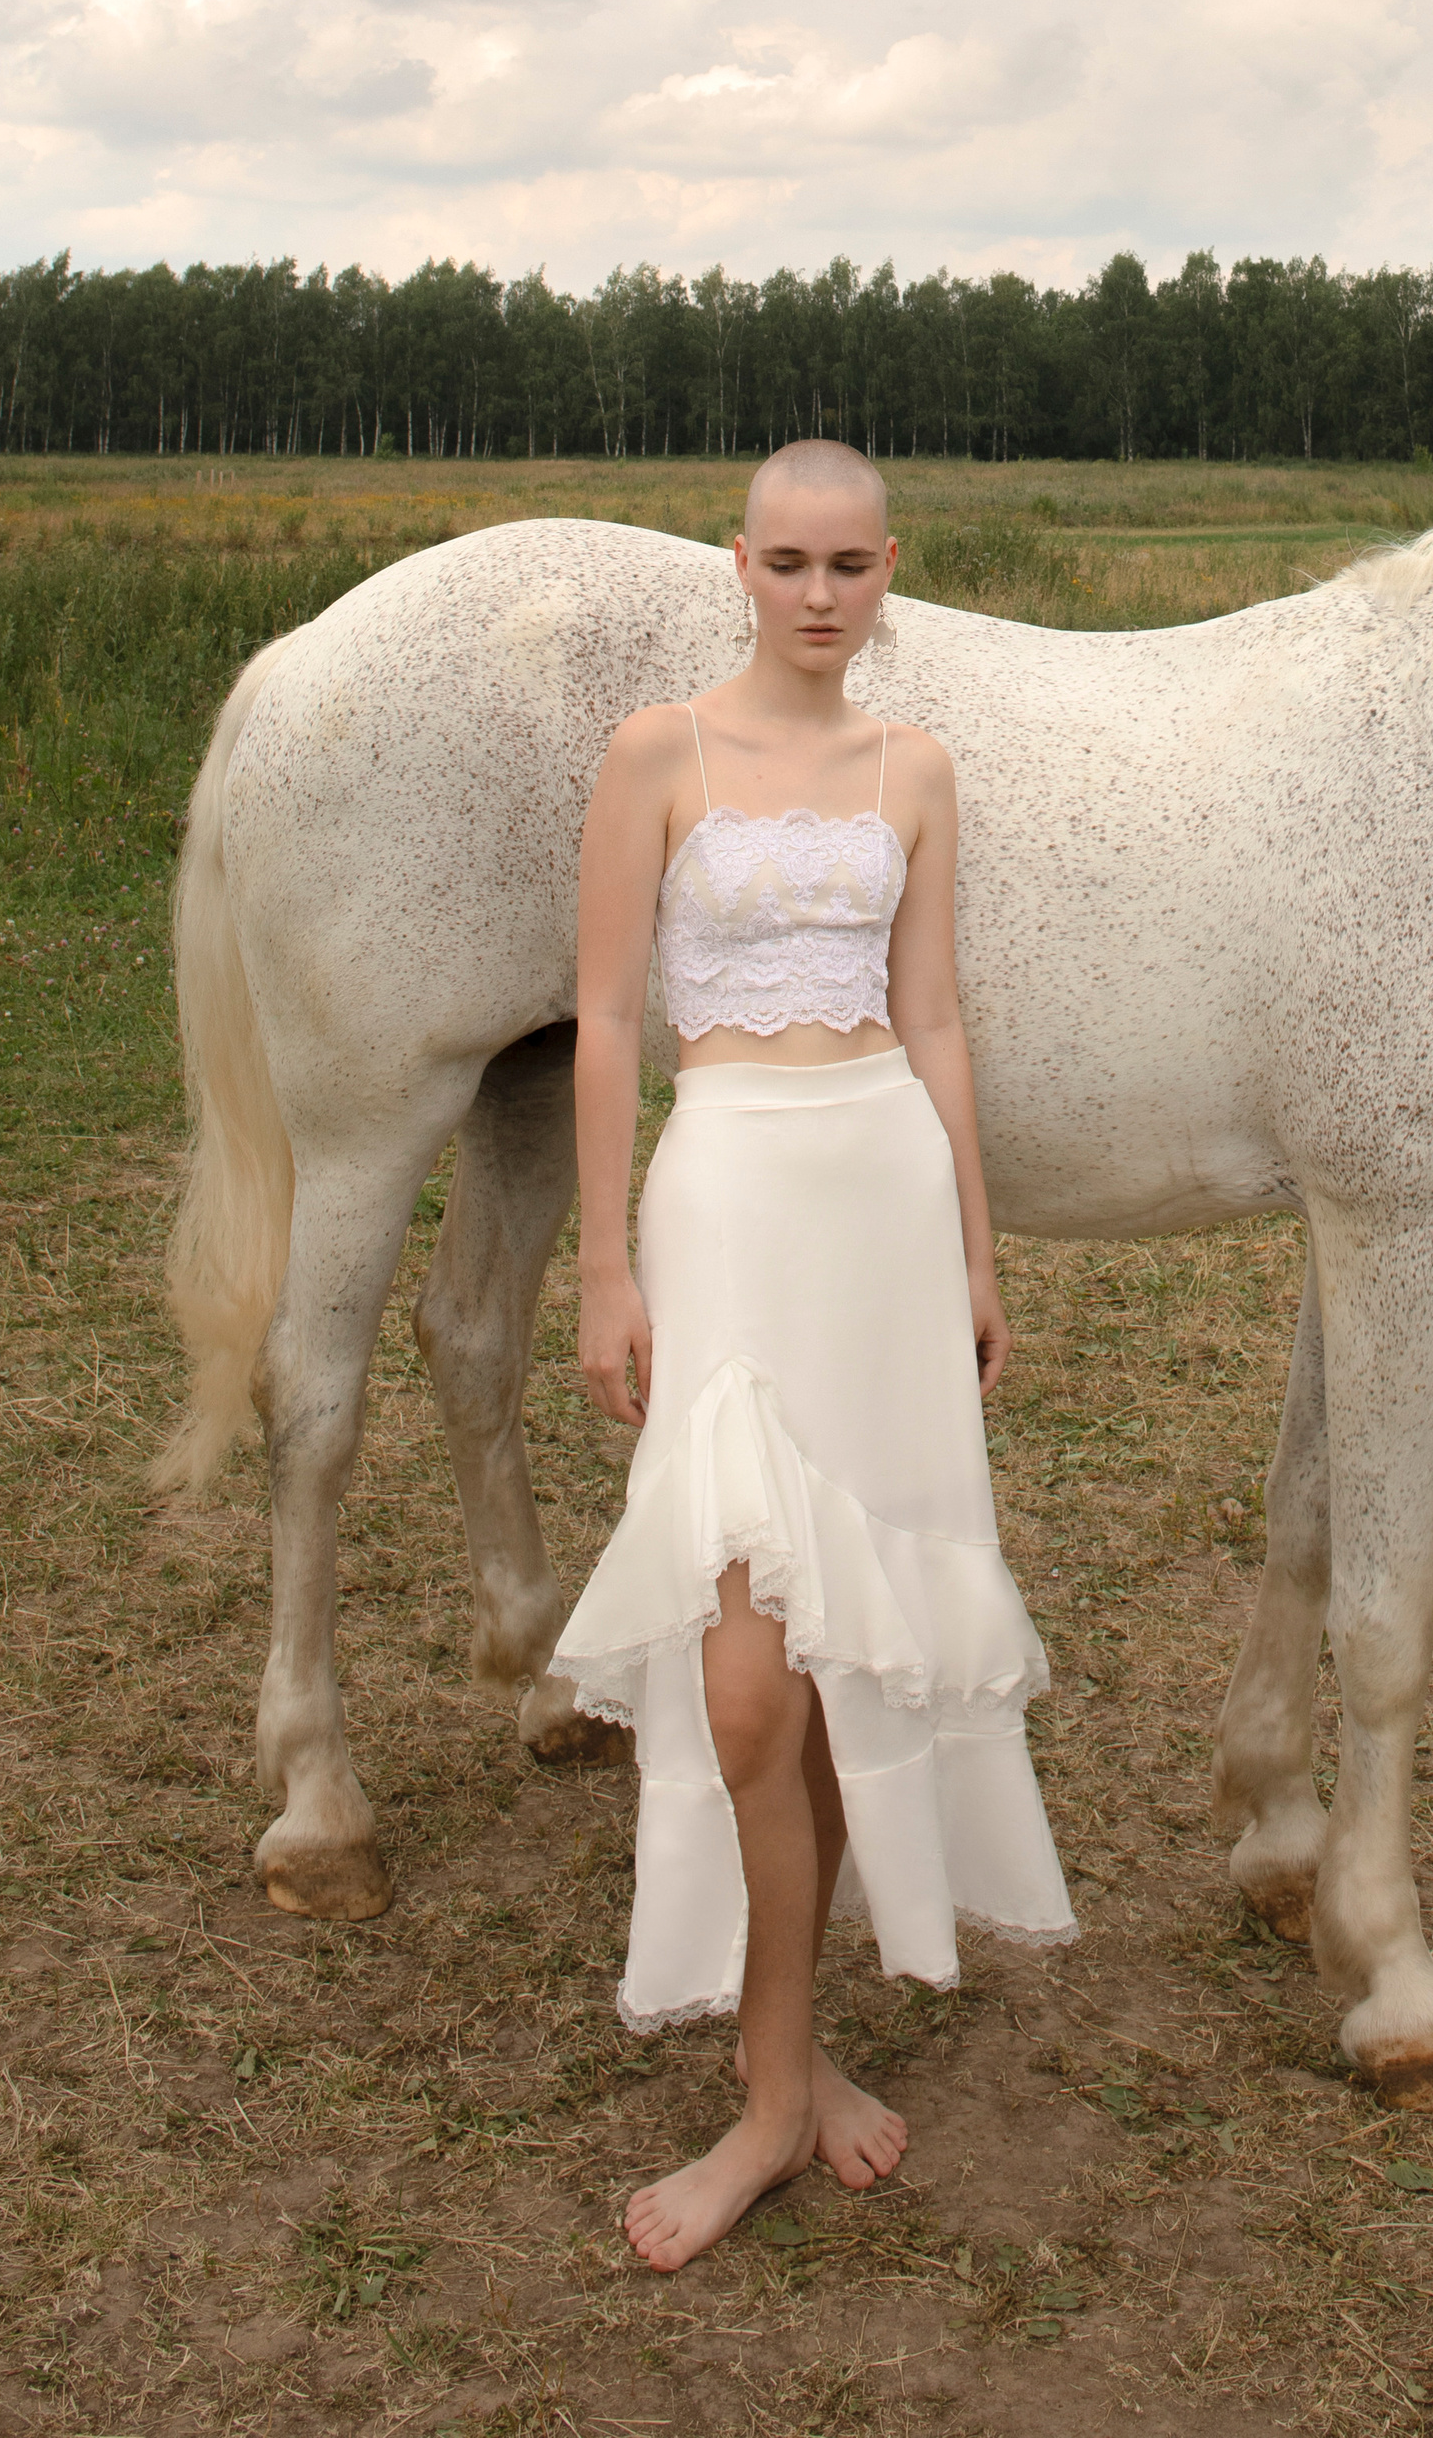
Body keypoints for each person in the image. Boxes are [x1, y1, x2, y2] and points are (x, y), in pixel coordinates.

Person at [548, 437, 1074, 2274]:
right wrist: (603, 1260)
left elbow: (932, 1013)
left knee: (856, 1641)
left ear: (890, 571)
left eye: (852, 566)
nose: (822, 597)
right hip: (730, 1205)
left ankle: (784, 2081)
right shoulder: (656, 755)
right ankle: (776, 2083)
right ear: (741, 568)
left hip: (883, 1210)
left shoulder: (914, 768)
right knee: (751, 1685)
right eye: (789, 564)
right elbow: (609, 1015)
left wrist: (977, 1250)